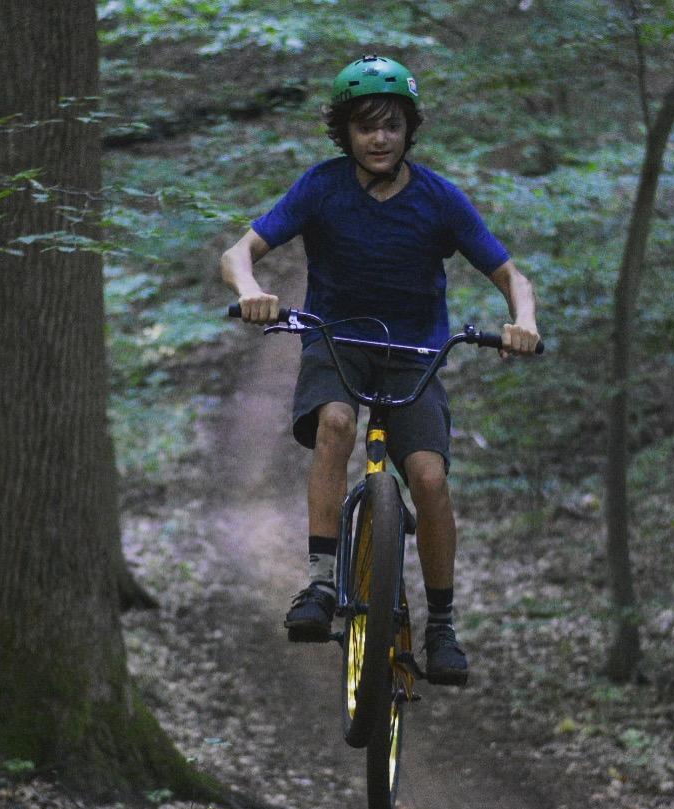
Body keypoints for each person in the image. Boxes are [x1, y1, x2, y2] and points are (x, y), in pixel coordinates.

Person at [219, 54, 539, 687]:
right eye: (365, 126)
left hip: (415, 354)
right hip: (335, 342)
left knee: (428, 476)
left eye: (391, 125)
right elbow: (240, 252)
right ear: (345, 133)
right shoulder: (322, 186)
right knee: (336, 423)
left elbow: (510, 274)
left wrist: (522, 320)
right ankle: (317, 583)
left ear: (408, 129)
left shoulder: (439, 198)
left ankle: (442, 625)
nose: (379, 138)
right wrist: (252, 288)